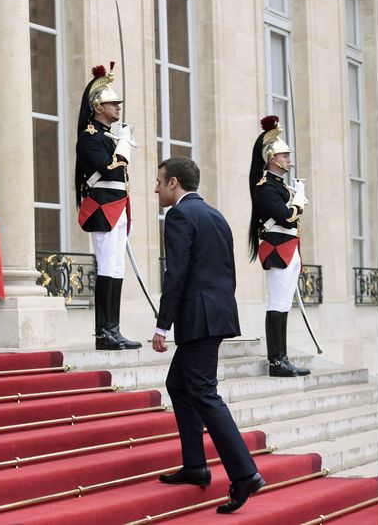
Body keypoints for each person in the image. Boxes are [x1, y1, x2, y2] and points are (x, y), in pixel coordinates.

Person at [151, 156, 264, 514]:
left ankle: (245, 474)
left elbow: (176, 274)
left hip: (198, 319)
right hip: (216, 314)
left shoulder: (179, 215)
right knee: (178, 384)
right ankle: (195, 465)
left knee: (203, 392)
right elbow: (227, 272)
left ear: (174, 183)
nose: (155, 189)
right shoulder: (216, 216)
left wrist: (162, 325)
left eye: (159, 182)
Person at [74, 64, 141, 350]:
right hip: (103, 209)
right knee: (106, 267)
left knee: (117, 267)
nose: (118, 108)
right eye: (113, 103)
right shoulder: (90, 137)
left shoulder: (107, 137)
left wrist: (120, 142)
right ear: (98, 107)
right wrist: (123, 145)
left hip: (118, 208)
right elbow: (110, 169)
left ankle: (114, 329)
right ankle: (103, 333)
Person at [247, 116, 311, 377]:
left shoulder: (280, 186)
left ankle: (282, 358)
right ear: (272, 158)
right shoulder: (265, 188)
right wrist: (299, 199)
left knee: (283, 304)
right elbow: (285, 217)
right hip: (277, 250)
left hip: (289, 248)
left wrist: (295, 195)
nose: (289, 160)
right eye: (285, 156)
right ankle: (276, 361)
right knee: (277, 303)